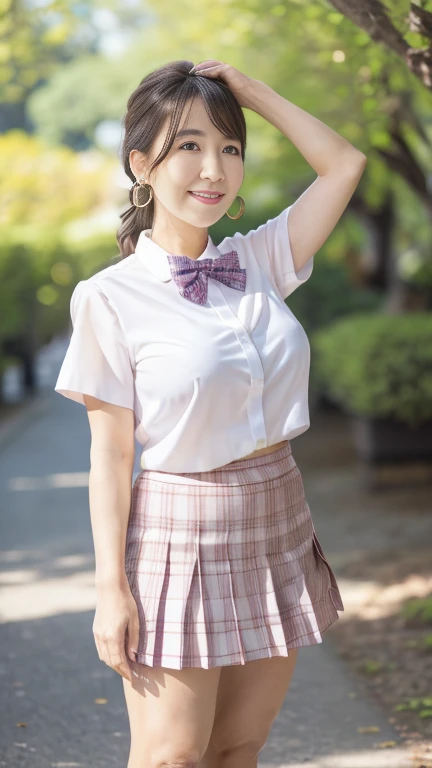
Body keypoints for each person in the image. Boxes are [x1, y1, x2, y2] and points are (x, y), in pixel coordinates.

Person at [54, 58, 367, 768]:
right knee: (172, 756)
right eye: (188, 145)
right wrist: (111, 590)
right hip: (178, 531)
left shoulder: (258, 260)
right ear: (142, 163)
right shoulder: (109, 298)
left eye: (229, 148)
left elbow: (343, 164)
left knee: (238, 747)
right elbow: (111, 455)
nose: (213, 168)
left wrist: (250, 93)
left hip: (277, 514)